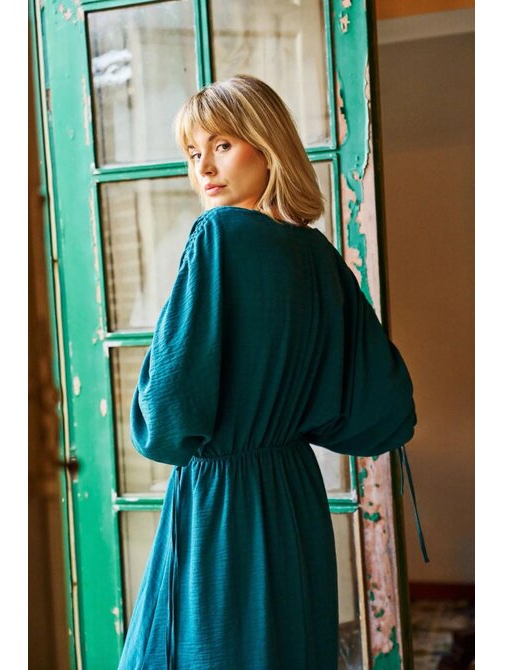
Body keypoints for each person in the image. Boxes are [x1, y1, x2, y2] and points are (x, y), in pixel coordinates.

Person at [118, 74, 427, 670]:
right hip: (294, 495)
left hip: (223, 501)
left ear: (267, 146)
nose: (205, 167)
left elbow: (165, 420)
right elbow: (379, 408)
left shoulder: (217, 236)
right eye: (193, 153)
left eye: (223, 144)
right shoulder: (317, 254)